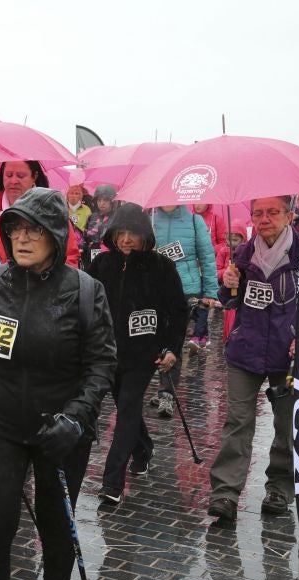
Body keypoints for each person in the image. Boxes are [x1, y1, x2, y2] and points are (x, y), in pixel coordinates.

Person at [0, 187, 116, 580]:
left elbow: (101, 365)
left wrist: (75, 418)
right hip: (0, 423)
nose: (21, 239)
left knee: (56, 530)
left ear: (55, 234)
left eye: (34, 230)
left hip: (59, 430)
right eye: (15, 229)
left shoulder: (85, 291)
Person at [208, 196, 299, 521]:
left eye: (273, 212)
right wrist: (228, 284)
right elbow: (229, 302)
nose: (264, 219)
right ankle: (225, 493)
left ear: (288, 215)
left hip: (287, 356)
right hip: (245, 351)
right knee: (237, 422)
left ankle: (279, 488)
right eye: (258, 213)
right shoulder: (244, 254)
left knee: (286, 426)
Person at [87, 203, 187, 505]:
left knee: (128, 408)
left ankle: (112, 481)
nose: (126, 239)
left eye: (133, 233)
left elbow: (178, 312)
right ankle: (143, 448)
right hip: (107, 353)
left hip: (144, 354)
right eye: (121, 233)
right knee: (124, 406)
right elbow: (85, 301)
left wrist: (172, 349)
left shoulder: (162, 267)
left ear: (145, 234)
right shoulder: (101, 264)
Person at [151, 205, 218, 416]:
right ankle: (164, 384)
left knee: (175, 340)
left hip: (186, 290)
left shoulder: (195, 221)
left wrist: (210, 292)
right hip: (158, 289)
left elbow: (207, 257)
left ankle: (167, 393)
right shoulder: (150, 220)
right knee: (158, 338)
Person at [215, 221, 249, 342]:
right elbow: (217, 271)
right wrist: (226, 273)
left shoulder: (246, 253)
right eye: (229, 239)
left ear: (243, 239)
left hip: (241, 292)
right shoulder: (223, 252)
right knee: (230, 316)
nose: (231, 243)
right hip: (229, 291)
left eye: (235, 240)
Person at [83, 184, 117, 266]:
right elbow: (85, 236)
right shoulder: (91, 217)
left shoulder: (116, 217)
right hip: (91, 255)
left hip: (110, 256)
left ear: (111, 201)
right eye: (99, 200)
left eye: (105, 200)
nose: (102, 203)